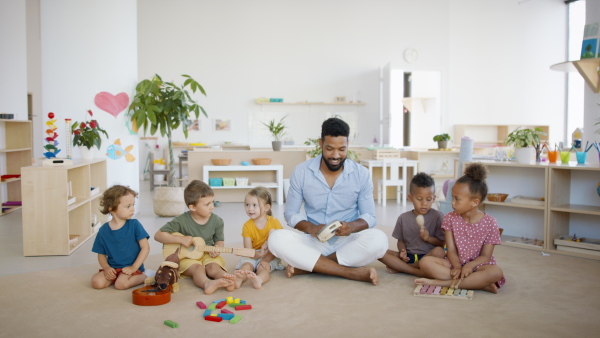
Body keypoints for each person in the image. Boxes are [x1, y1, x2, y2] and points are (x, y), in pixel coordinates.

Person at [269, 117, 388, 285]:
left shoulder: (361, 174)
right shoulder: (301, 172)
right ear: (320, 144)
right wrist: (311, 228)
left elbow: (369, 216)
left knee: (379, 240)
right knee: (276, 238)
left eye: (342, 149)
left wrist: (351, 227)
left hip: (349, 241)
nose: (335, 155)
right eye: (330, 149)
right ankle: (349, 272)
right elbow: (291, 213)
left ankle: (310, 266)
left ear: (348, 145)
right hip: (314, 241)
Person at [415, 162, 505, 293]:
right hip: (453, 263)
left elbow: (486, 256)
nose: (452, 202)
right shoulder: (450, 218)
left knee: (496, 272)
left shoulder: (491, 222)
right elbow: (450, 250)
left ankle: (440, 283)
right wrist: (457, 266)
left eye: (457, 199)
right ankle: (478, 283)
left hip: (479, 266)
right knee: (425, 263)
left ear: (475, 202)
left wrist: (469, 266)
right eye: (452, 197)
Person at [154, 180, 236, 295]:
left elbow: (219, 240)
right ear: (192, 207)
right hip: (188, 258)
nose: (212, 207)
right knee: (198, 269)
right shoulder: (181, 220)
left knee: (213, 267)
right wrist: (181, 240)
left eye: (212, 202)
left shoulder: (217, 221)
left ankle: (226, 279)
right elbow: (158, 235)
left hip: (207, 253)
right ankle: (207, 283)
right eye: (207, 204)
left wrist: (217, 248)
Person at [378, 172, 446, 277]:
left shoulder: (438, 217)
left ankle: (405, 268)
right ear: (410, 198)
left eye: (428, 199)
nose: (424, 203)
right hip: (409, 256)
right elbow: (400, 241)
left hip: (429, 257)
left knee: (439, 252)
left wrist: (428, 238)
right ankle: (414, 269)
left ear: (433, 198)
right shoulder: (403, 218)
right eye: (419, 199)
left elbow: (442, 243)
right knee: (379, 251)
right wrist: (402, 251)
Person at [91, 185, 150, 290]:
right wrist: (107, 268)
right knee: (96, 283)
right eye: (128, 206)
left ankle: (145, 275)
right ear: (112, 209)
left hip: (132, 268)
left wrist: (134, 267)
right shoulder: (103, 230)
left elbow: (145, 248)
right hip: (114, 268)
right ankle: (116, 277)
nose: (132, 209)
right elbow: (101, 255)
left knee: (120, 285)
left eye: (133, 205)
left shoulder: (134, 224)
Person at [233, 187, 285, 289]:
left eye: (254, 205)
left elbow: (278, 247)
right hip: (253, 254)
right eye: (247, 205)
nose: (250, 208)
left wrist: (265, 259)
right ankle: (239, 278)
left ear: (266, 208)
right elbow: (248, 251)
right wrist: (258, 254)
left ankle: (259, 280)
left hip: (270, 254)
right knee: (246, 266)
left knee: (263, 268)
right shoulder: (247, 226)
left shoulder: (274, 223)